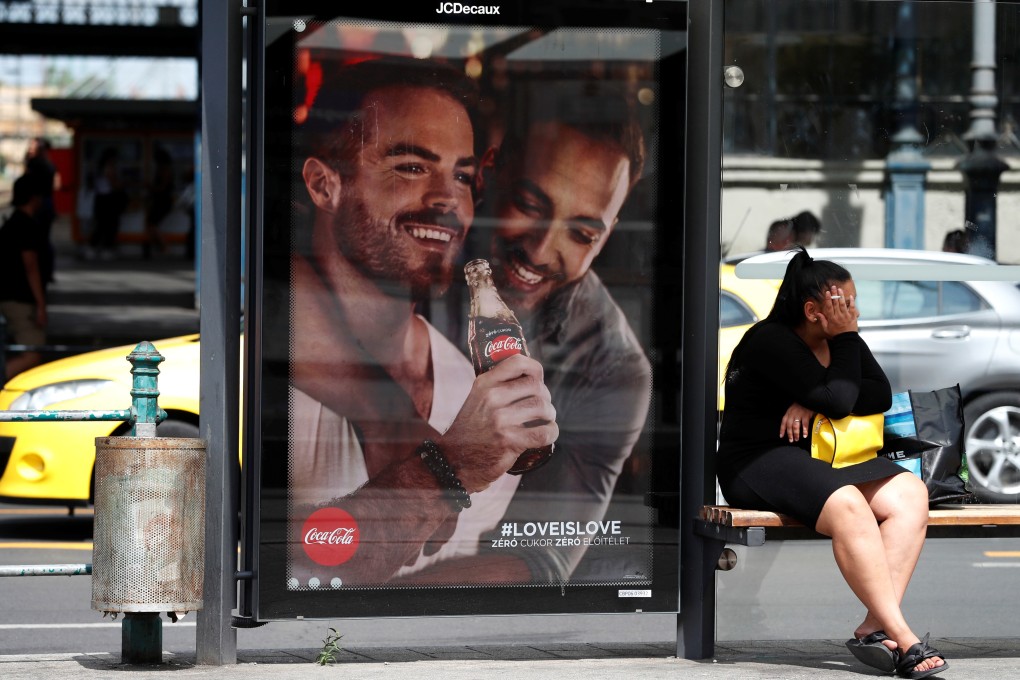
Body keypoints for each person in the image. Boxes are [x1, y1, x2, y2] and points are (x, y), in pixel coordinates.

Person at [286, 57, 558, 588]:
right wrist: (445, 469)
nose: (447, 199)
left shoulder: (475, 395)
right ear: (323, 185)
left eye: (462, 175)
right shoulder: (264, 375)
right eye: (411, 166)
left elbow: (428, 581)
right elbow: (300, 579)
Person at [716, 247, 947, 678]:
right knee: (848, 504)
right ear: (813, 310)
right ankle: (904, 637)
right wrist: (826, 389)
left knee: (910, 494)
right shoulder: (770, 340)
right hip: (757, 459)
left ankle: (874, 627)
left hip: (823, 459)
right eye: (845, 304)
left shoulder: (841, 341)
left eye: (853, 302)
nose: (854, 312)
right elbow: (840, 399)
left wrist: (814, 401)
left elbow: (877, 394)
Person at [470, 84, 652, 581]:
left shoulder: (613, 365)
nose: (540, 248)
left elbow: (538, 560)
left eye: (581, 233)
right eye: (530, 204)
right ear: (490, 173)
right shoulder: (418, 255)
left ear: (605, 237)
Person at [0, 175, 48, 380]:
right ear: (34, 197)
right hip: (20, 299)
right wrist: (40, 304)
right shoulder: (26, 226)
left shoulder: (11, 223)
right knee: (32, 353)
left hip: (9, 296)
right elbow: (31, 267)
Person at [23, 137, 59, 283]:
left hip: (36, 205)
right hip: (48, 204)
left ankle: (36, 271)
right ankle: (47, 272)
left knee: (34, 240)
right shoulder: (50, 164)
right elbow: (57, 185)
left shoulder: (33, 164)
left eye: (32, 148)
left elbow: (25, 183)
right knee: (45, 240)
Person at [88, 147, 128, 260]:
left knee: (101, 225)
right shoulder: (109, 167)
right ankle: (105, 248)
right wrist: (126, 185)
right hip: (108, 199)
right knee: (108, 225)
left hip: (99, 199)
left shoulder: (98, 168)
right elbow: (115, 184)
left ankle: (95, 247)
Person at [143, 146, 175, 259]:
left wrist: (150, 188)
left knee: (152, 225)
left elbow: (162, 188)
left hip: (163, 201)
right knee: (150, 224)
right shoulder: (162, 169)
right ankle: (160, 247)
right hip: (159, 201)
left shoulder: (165, 170)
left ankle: (164, 246)